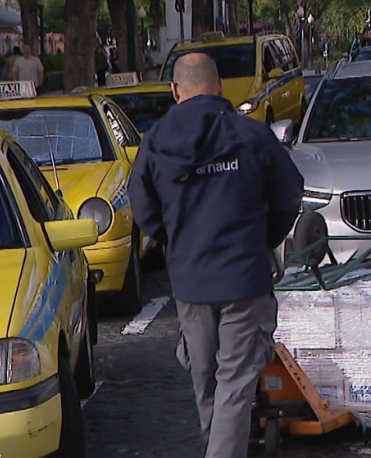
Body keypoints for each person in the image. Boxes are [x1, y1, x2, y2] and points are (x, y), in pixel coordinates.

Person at [129, 52, 304, 458]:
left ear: (175, 91)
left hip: (191, 281)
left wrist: (179, 240)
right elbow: (289, 194)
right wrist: (263, 239)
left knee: (208, 383)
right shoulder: (251, 135)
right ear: (220, 85)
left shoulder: (154, 142)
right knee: (234, 386)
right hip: (244, 276)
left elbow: (144, 211)